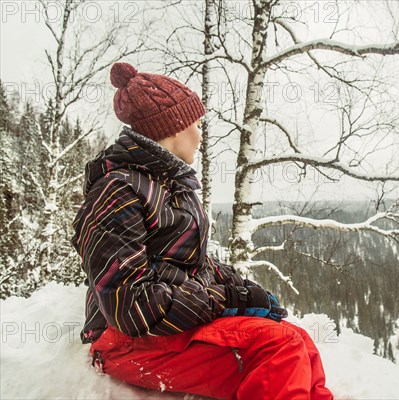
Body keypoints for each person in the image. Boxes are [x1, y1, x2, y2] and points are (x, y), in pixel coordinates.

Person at [70, 62, 334, 400]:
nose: (200, 135)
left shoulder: (171, 186)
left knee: (299, 342)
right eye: (196, 124)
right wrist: (222, 300)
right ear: (173, 128)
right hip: (122, 340)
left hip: (168, 326)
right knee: (277, 348)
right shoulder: (117, 192)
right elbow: (129, 303)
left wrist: (243, 289)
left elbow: (194, 264)